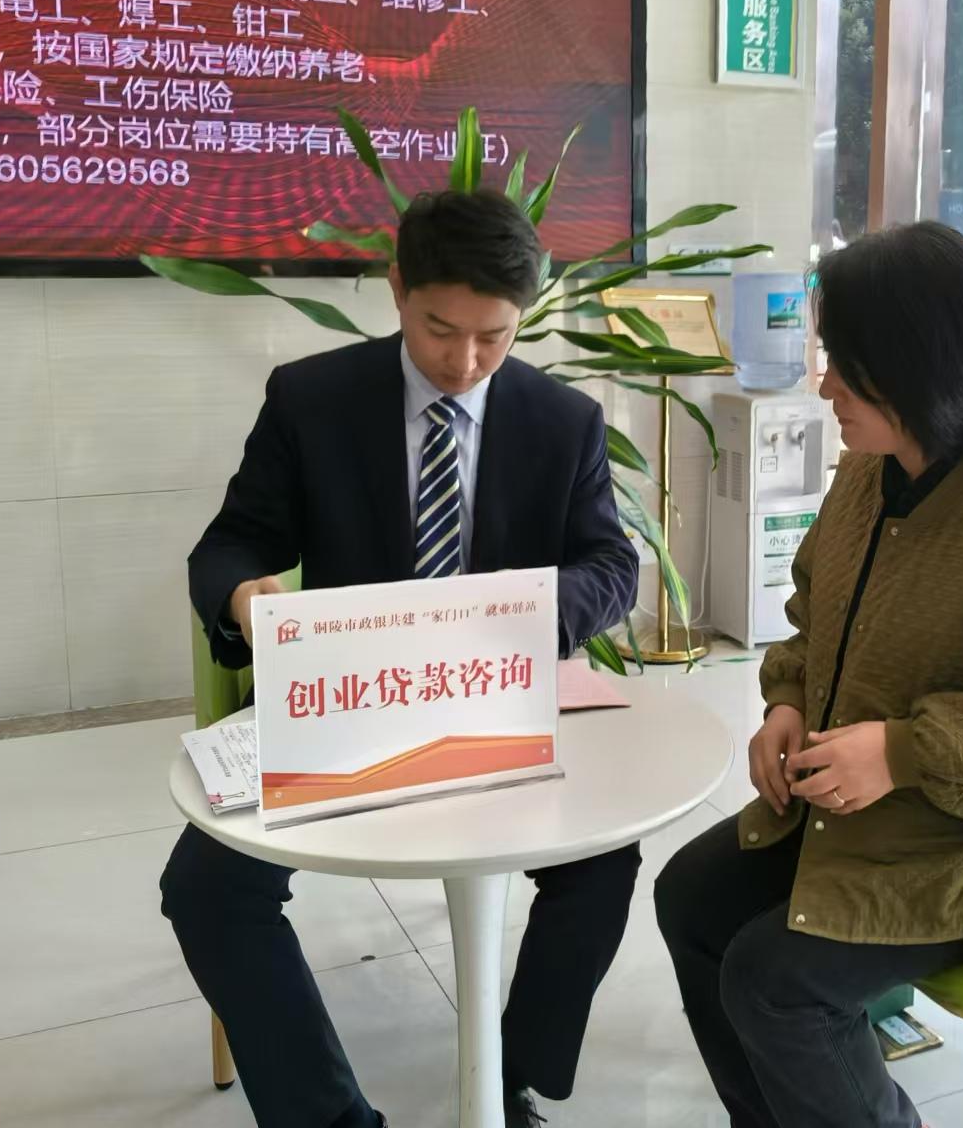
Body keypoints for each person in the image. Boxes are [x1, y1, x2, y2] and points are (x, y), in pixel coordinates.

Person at [160, 189, 641, 1128]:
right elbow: (227, 545)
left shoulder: (563, 421)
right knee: (205, 890)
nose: (464, 362)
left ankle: (509, 1078)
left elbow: (612, 565)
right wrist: (248, 596)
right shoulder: (313, 400)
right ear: (396, 290)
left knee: (603, 862)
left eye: (494, 336)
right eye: (439, 330)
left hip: (493, 701)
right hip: (353, 705)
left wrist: (525, 619)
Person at [655, 221, 963, 1128]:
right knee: (688, 898)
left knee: (773, 982)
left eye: (845, 363)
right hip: (845, 811)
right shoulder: (866, 473)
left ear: (918, 364)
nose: (823, 383)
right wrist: (787, 700)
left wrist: (904, 752)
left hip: (962, 845)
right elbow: (814, 606)